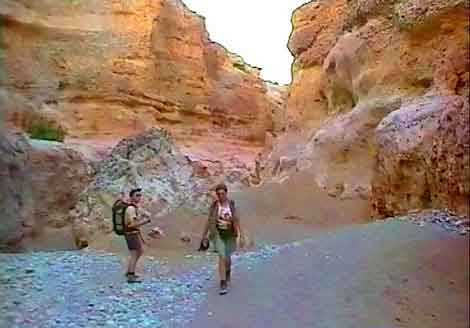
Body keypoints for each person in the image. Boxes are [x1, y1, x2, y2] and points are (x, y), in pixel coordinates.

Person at [201, 183, 244, 295]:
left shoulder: (231, 205)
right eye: (218, 194)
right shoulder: (215, 206)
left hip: (230, 234)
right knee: (222, 256)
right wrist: (204, 236)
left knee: (228, 258)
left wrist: (242, 235)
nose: (220, 196)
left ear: (226, 193)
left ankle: (228, 271)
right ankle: (223, 281)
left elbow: (236, 219)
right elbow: (209, 221)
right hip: (218, 234)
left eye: (222, 193)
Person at [124, 188, 151, 283]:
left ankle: (129, 272)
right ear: (131, 197)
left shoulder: (134, 208)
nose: (139, 197)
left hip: (133, 233)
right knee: (135, 253)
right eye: (137, 195)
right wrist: (146, 221)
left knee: (138, 252)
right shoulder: (131, 209)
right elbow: (132, 224)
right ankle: (130, 276)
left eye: (140, 195)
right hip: (131, 234)